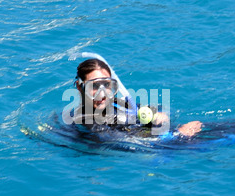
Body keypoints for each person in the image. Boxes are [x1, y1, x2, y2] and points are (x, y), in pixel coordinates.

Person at [72, 58, 203, 138]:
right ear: (79, 86)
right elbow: (118, 141)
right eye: (94, 86)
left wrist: (157, 114)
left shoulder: (116, 104)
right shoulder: (85, 120)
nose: (102, 93)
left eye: (106, 85)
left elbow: (146, 109)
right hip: (162, 147)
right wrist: (179, 134)